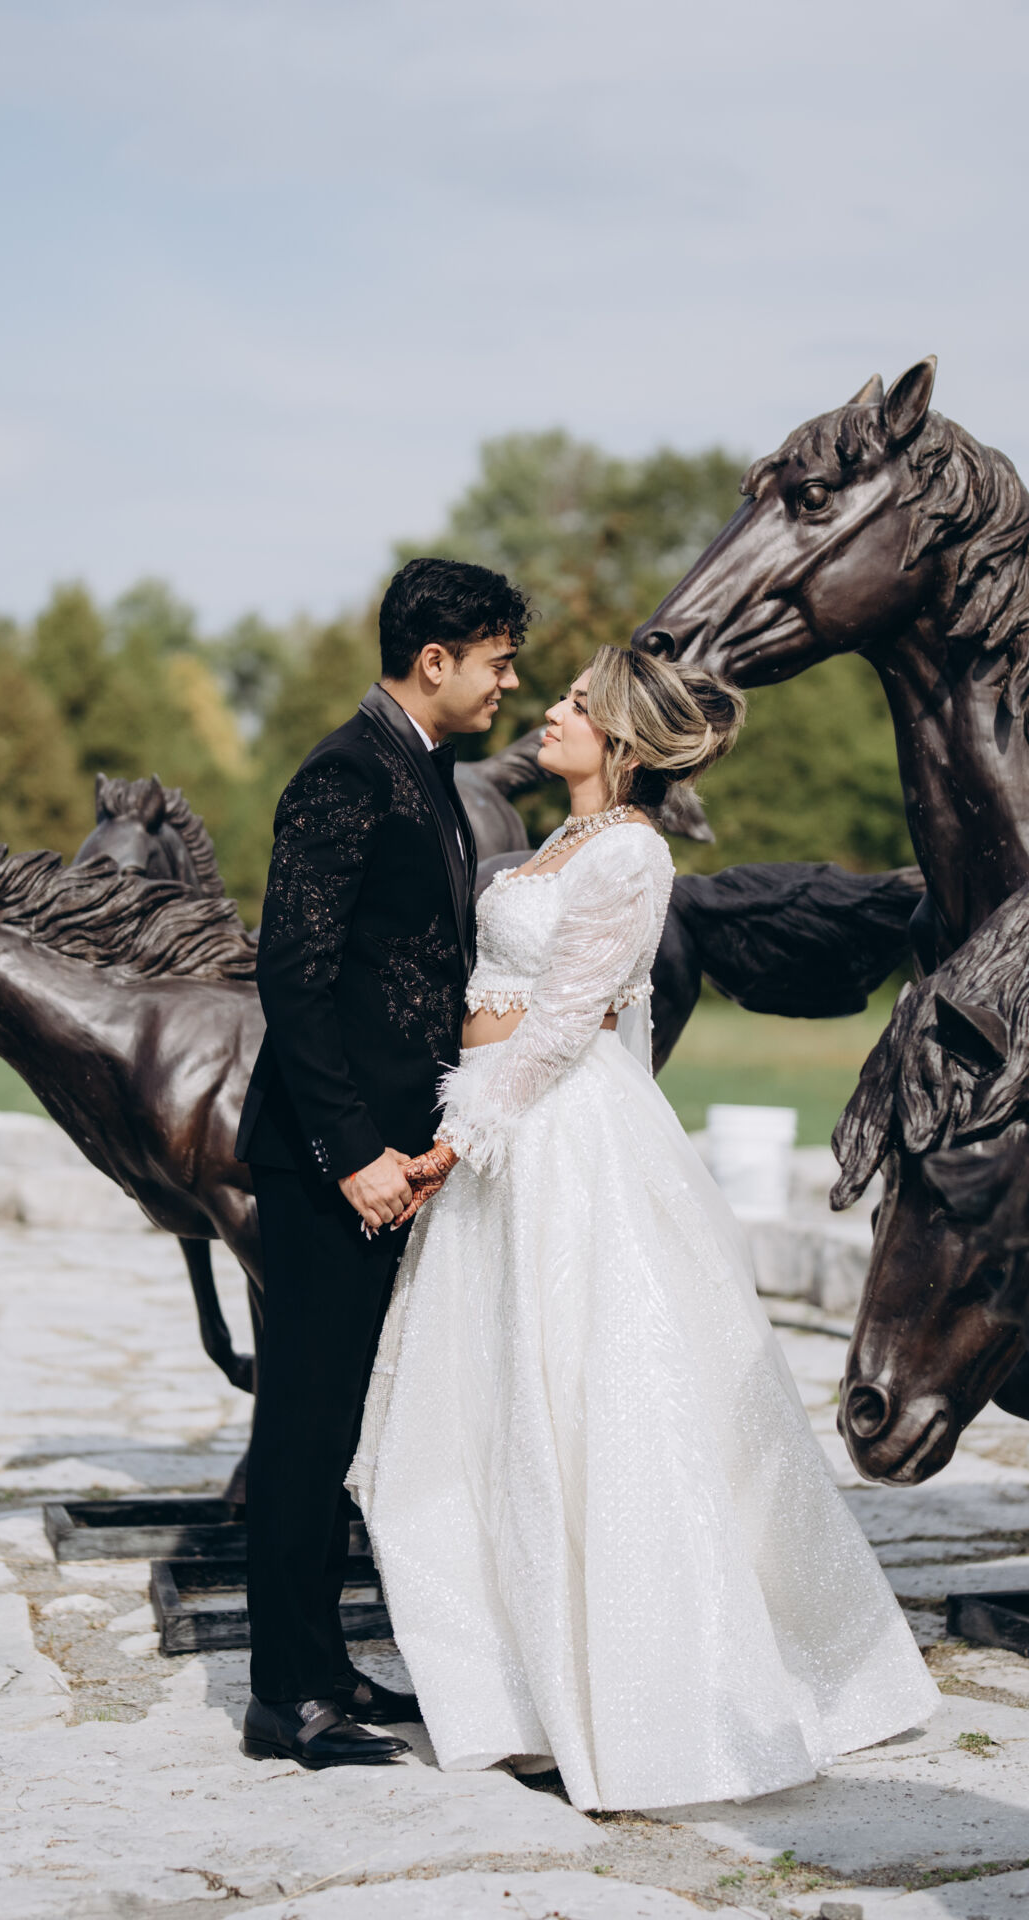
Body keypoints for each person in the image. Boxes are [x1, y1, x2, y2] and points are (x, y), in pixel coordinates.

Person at [348, 645, 938, 1813]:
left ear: (618, 739)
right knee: (490, 1402)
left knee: (588, 1397)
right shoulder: (555, 845)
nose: (549, 713)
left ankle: (638, 1696)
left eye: (574, 703)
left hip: (552, 1138)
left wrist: (455, 1144)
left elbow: (567, 1020)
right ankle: (516, 1684)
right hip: (498, 1132)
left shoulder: (628, 852)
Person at [235, 555, 529, 1769]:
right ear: (433, 657)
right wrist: (352, 1152)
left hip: (398, 1164)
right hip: (329, 1169)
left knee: (345, 1422)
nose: (509, 683)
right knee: (302, 1424)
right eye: (497, 661)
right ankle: (281, 1698)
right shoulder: (344, 774)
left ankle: (323, 1663)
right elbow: (291, 976)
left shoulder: (426, 771)